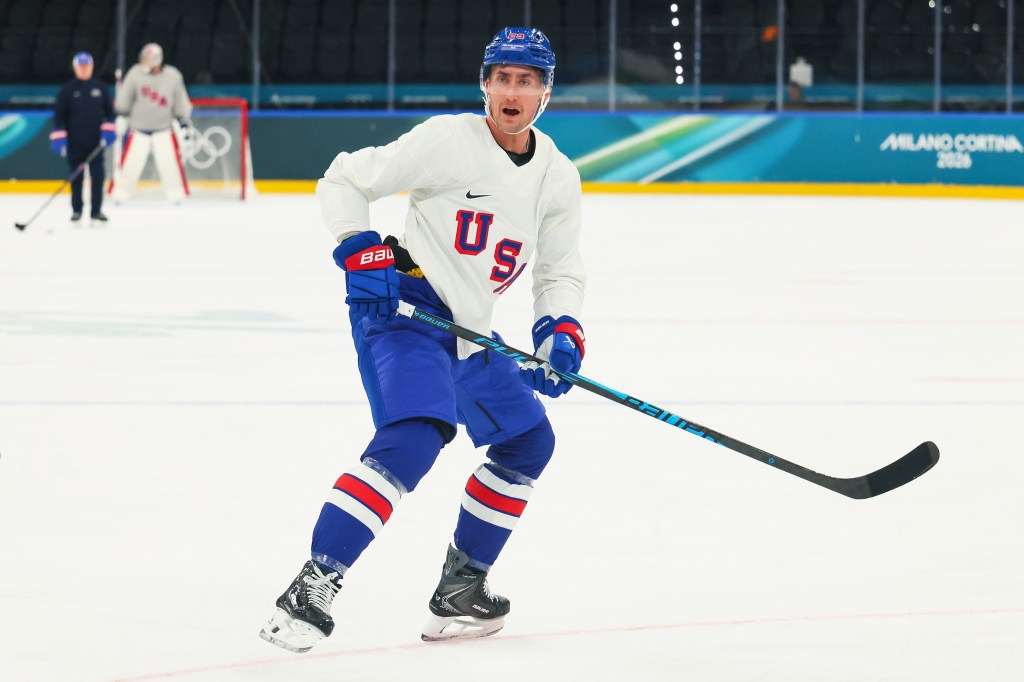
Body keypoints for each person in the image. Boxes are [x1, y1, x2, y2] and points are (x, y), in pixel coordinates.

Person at [260, 27, 586, 652]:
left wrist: (560, 331)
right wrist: (359, 250)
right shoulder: (448, 139)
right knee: (416, 432)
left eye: (526, 80)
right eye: (501, 78)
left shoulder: (558, 176)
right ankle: (313, 584)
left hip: (467, 328)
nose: (510, 91)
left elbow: (559, 271)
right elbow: (343, 180)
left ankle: (461, 586)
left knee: (526, 441)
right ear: (484, 83)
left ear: (546, 91)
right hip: (404, 307)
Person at [109, 43, 192, 203]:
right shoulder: (135, 73)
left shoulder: (173, 76)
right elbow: (124, 100)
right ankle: (120, 194)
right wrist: (121, 113)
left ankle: (177, 194)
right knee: (129, 165)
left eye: (148, 58)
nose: (145, 61)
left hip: (164, 129)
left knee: (170, 165)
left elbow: (180, 100)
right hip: (138, 129)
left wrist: (182, 118)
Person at [50, 52, 116, 222]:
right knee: (76, 178)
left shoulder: (100, 88)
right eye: (81, 66)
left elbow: (110, 113)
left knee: (98, 177)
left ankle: (96, 211)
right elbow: (59, 117)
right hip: (75, 143)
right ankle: (77, 210)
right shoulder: (67, 90)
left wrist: (109, 131)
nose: (84, 69)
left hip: (96, 144)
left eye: (87, 66)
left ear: (92, 67)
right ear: (75, 67)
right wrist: (59, 138)